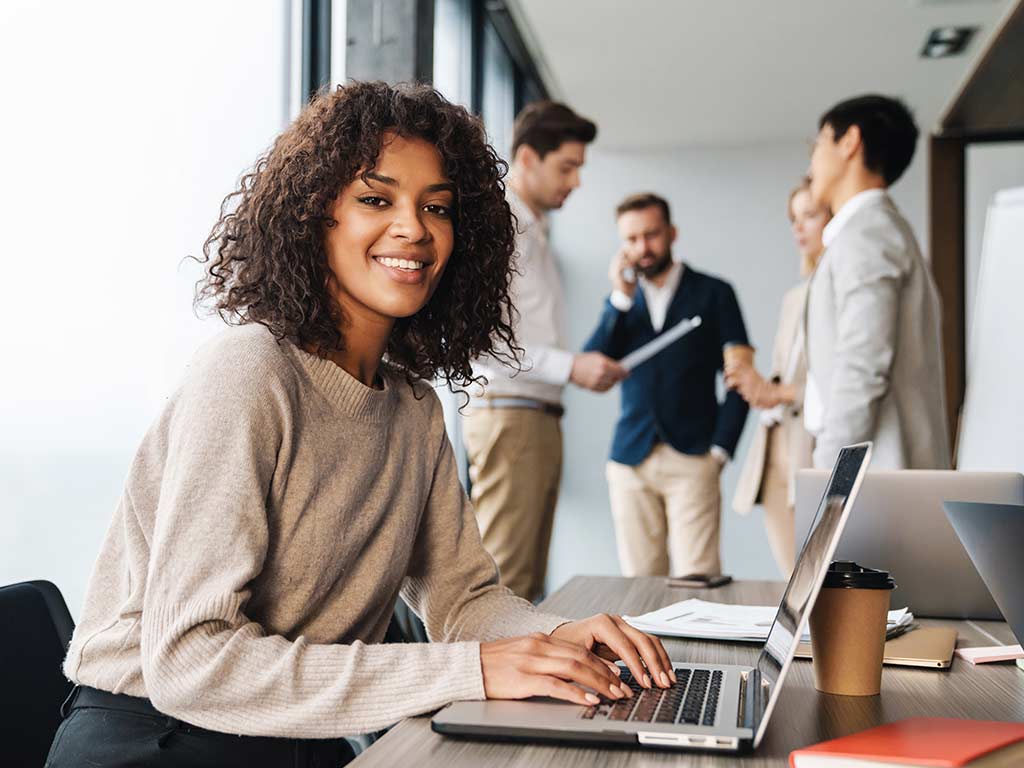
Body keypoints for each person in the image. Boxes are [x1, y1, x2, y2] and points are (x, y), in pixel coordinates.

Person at [46, 83, 675, 768]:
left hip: (297, 735)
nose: (415, 228)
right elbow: (190, 659)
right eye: (377, 200)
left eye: (437, 207)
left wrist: (560, 637)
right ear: (315, 217)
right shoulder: (249, 373)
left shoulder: (413, 408)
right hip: (156, 740)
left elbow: (463, 599)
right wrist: (473, 672)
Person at [464, 101, 626, 601]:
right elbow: (482, 342)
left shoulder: (533, 228)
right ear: (528, 159)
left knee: (525, 584)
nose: (576, 181)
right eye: (567, 167)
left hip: (533, 416)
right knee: (505, 585)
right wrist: (570, 366)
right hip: (513, 415)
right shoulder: (503, 226)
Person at [583, 193, 750, 578]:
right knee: (639, 584)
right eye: (631, 239)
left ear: (671, 233)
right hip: (630, 459)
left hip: (693, 457)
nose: (643, 247)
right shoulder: (622, 303)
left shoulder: (714, 293)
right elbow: (592, 365)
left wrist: (721, 450)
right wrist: (619, 301)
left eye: (652, 234)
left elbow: (741, 376)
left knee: (698, 579)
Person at [803, 94, 950, 470]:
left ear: (850, 141)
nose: (812, 162)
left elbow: (863, 363)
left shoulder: (868, 233)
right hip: (878, 470)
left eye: (818, 144)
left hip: (873, 473)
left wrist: (827, 466)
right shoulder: (876, 230)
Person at [728, 179, 829, 576]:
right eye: (793, 219)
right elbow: (784, 376)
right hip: (774, 451)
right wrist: (755, 385)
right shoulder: (795, 297)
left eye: (810, 215)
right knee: (793, 579)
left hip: (813, 447)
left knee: (821, 578)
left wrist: (777, 391)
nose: (798, 228)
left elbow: (843, 385)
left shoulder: (841, 293)